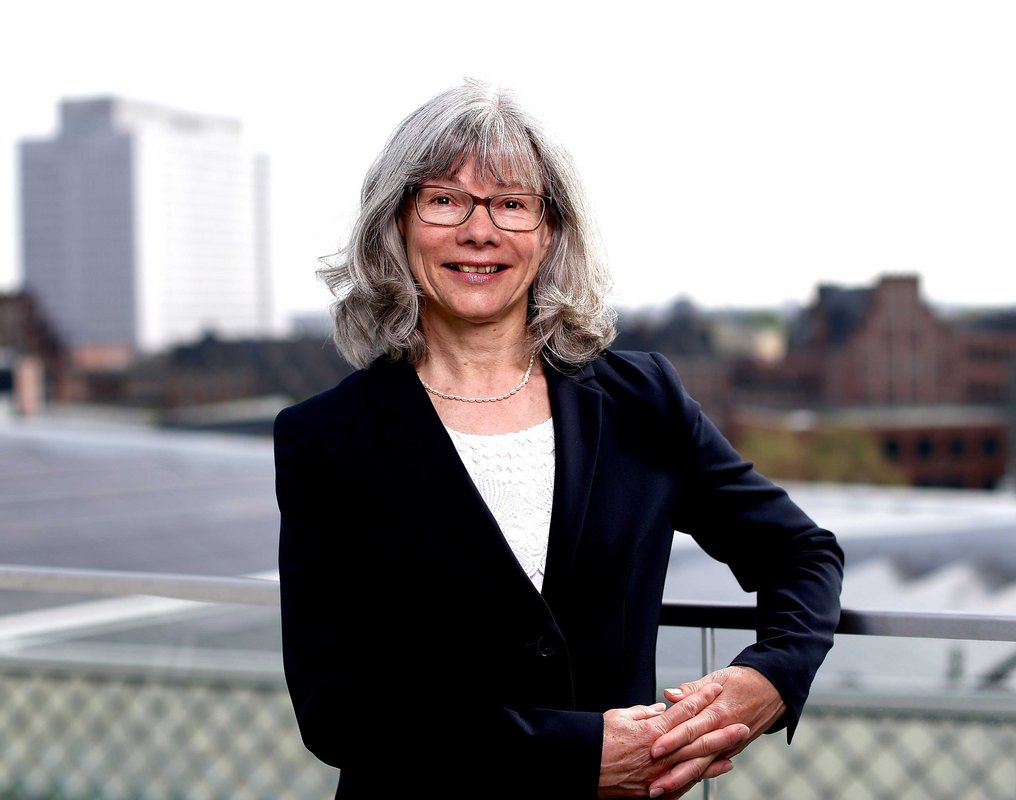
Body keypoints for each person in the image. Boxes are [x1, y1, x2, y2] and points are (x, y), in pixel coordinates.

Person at [274, 79, 844, 799]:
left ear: (549, 234)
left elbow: (801, 552)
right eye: (445, 199)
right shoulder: (326, 439)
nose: (480, 231)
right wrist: (573, 756)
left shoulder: (644, 402)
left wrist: (770, 677)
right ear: (396, 224)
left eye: (512, 204)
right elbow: (338, 710)